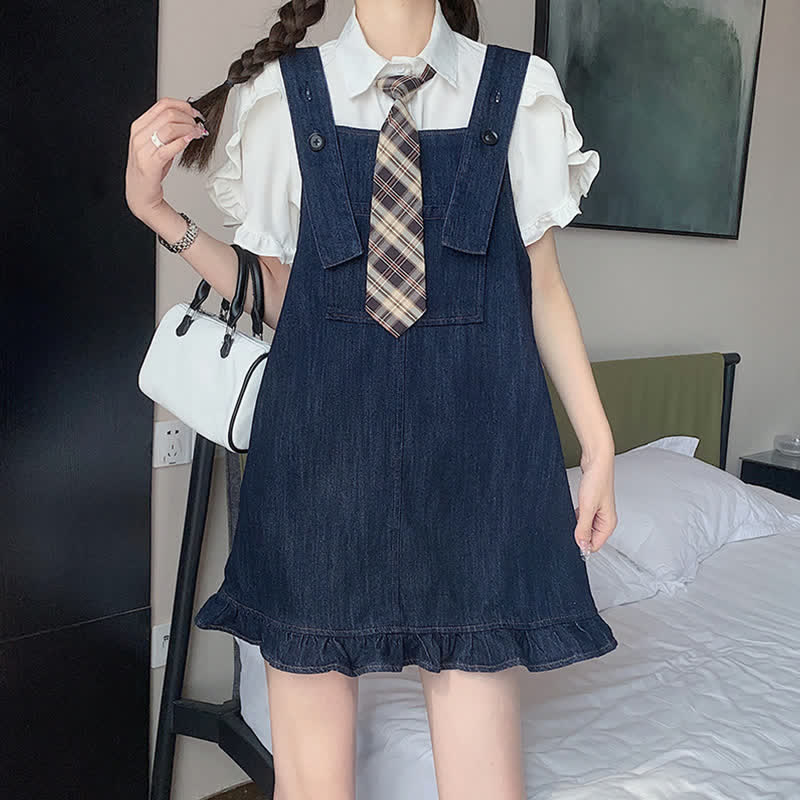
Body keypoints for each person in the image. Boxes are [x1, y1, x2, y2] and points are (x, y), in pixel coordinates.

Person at [125, 1, 619, 798]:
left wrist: (597, 445)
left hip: (475, 476)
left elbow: (544, 286)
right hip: (317, 471)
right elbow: (285, 296)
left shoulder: (519, 91)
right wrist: (157, 213)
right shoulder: (282, 96)